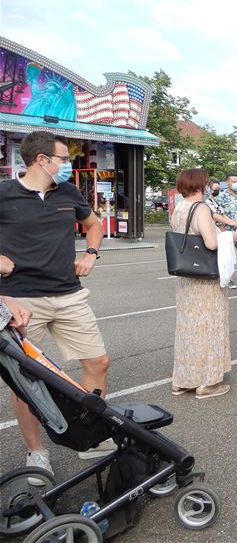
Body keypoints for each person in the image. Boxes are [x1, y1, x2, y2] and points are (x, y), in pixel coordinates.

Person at [0, 131, 112, 480]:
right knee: (26, 381)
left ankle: (88, 437)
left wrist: (92, 253)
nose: (69, 165)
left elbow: (94, 225)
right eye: (64, 159)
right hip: (21, 298)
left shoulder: (69, 192)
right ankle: (37, 452)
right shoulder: (4, 194)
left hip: (68, 293)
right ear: (42, 160)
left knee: (98, 361)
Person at [170, 169, 232, 398]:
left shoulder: (179, 208)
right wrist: (230, 237)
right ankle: (208, 382)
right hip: (204, 280)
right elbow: (211, 243)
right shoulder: (201, 208)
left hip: (185, 279)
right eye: (207, 183)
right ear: (201, 185)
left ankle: (183, 379)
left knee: (188, 328)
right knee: (209, 327)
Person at [217, 173, 237, 289]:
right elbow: (218, 214)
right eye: (233, 181)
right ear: (227, 183)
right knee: (227, 256)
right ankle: (229, 278)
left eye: (236, 181)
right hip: (227, 231)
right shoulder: (222, 197)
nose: (235, 183)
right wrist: (222, 230)